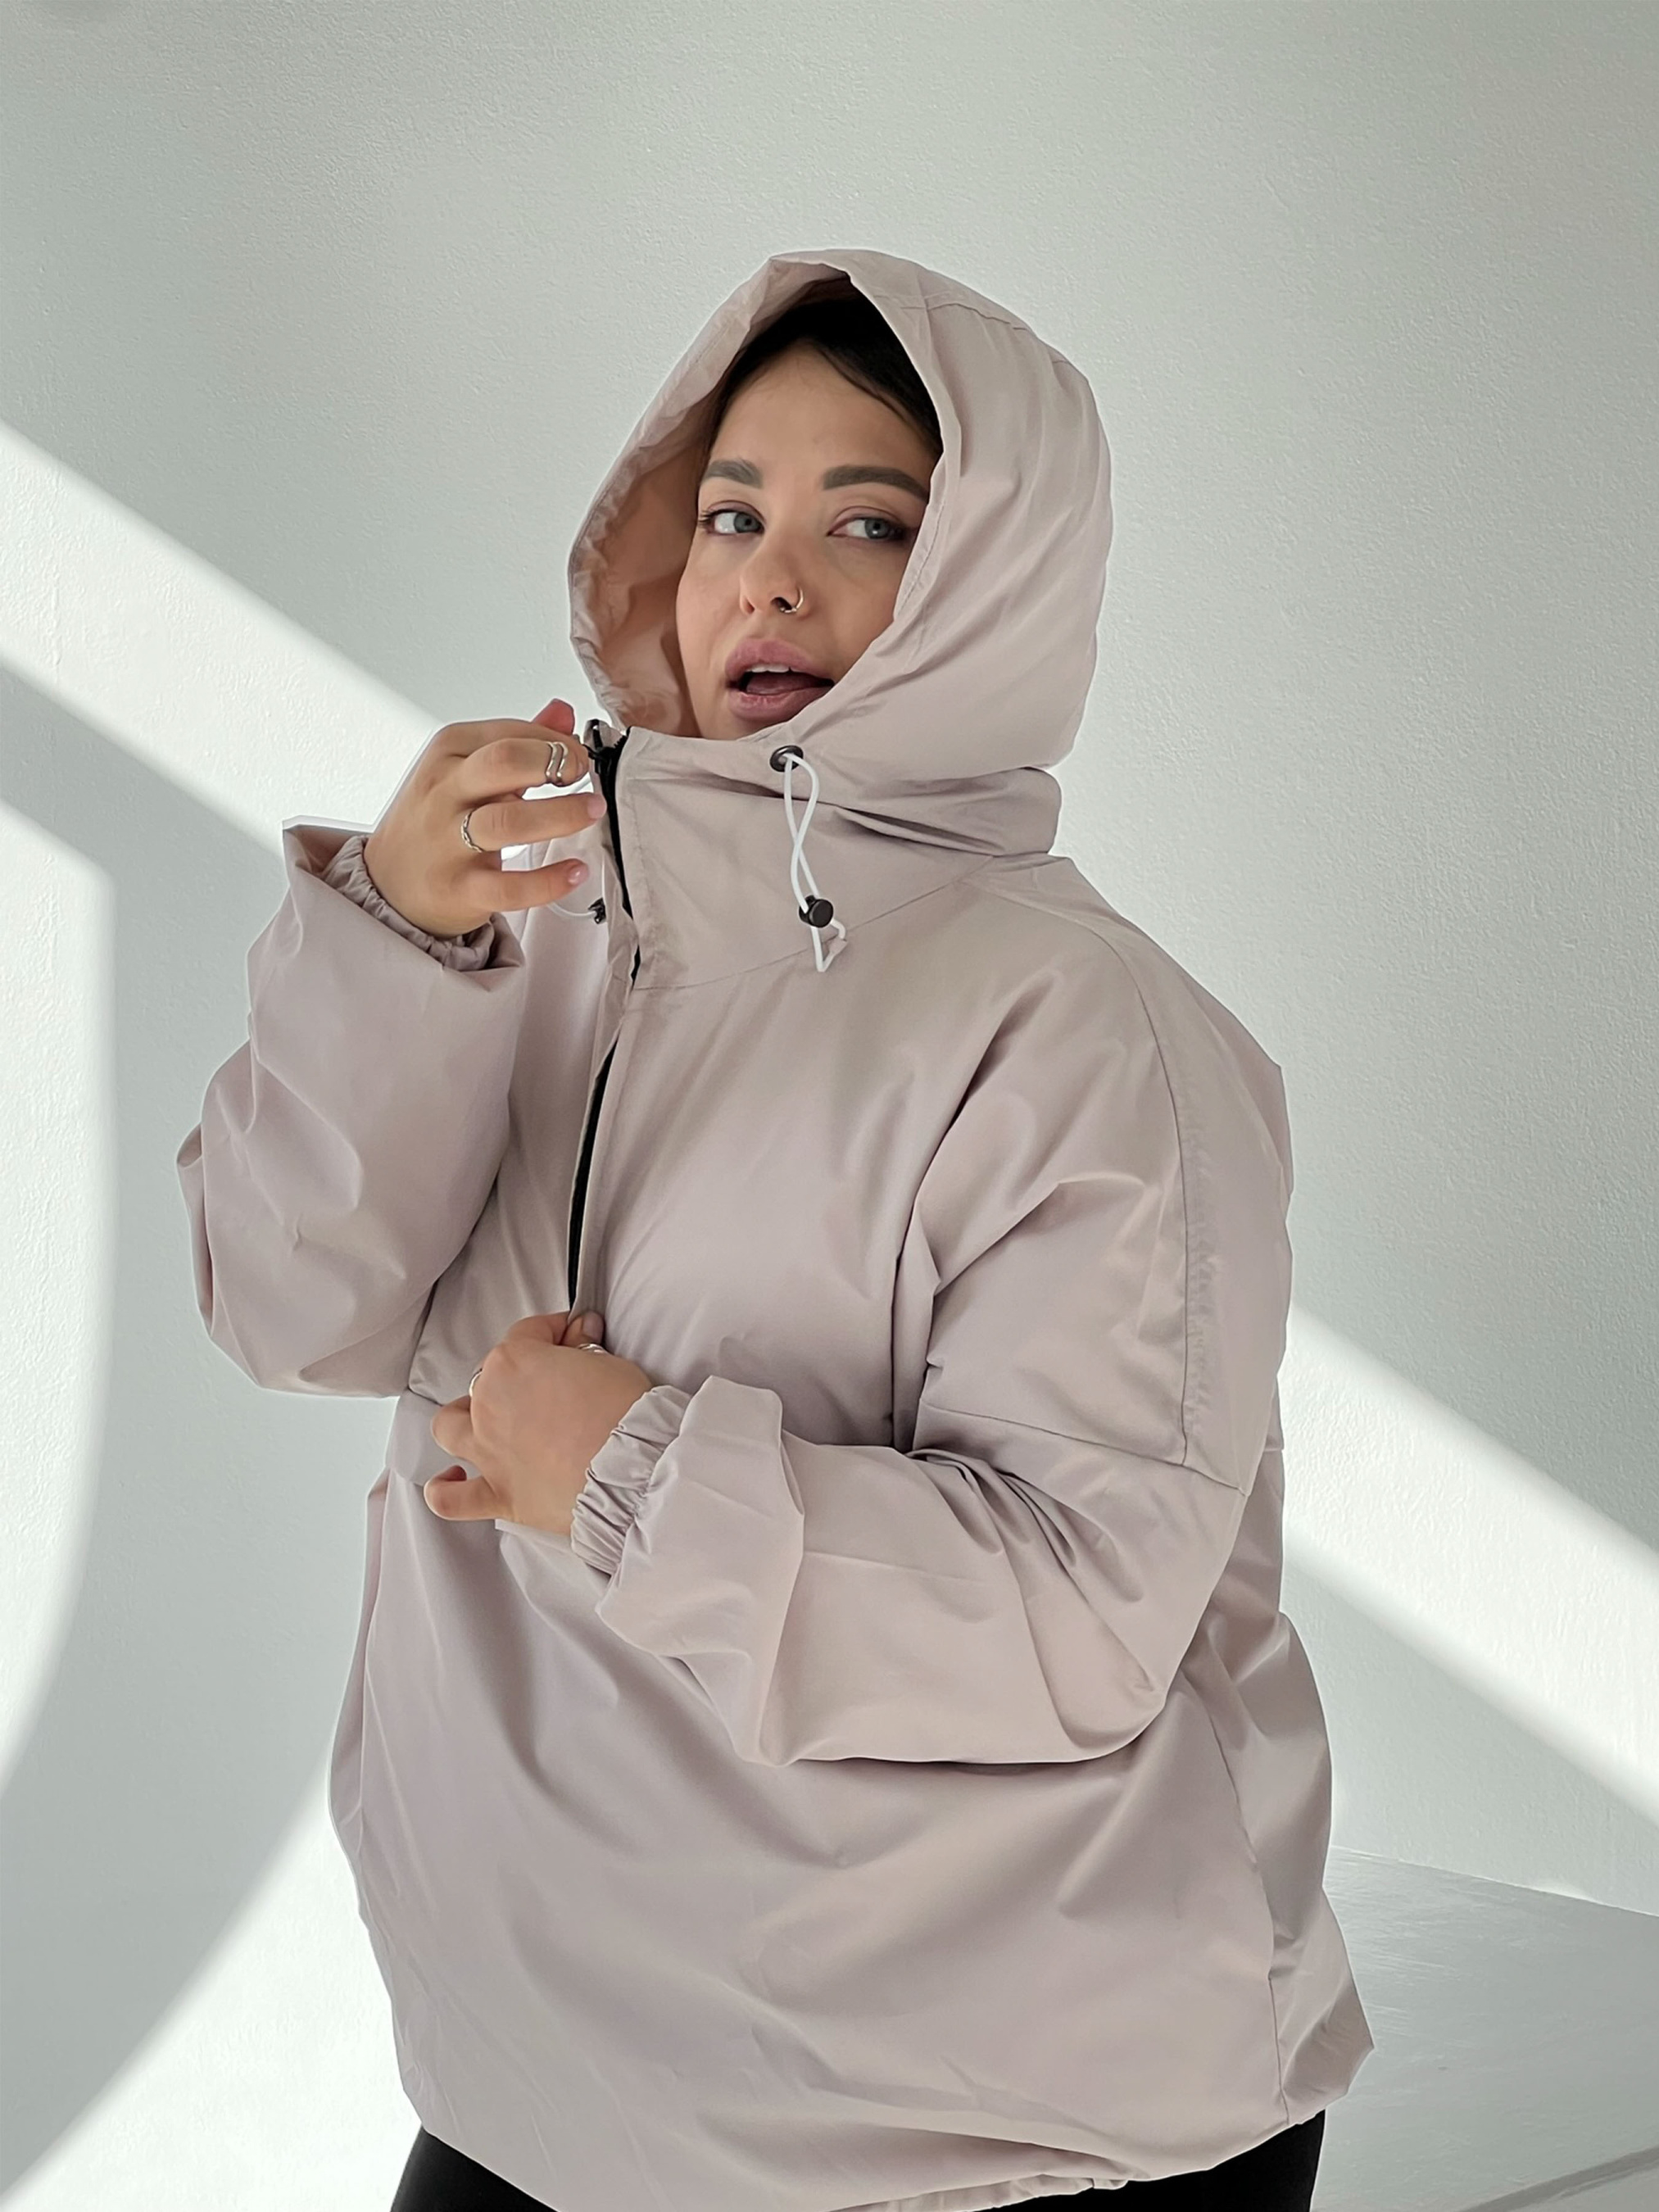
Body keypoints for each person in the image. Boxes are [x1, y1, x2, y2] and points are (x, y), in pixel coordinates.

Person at [176, 249, 1374, 2212]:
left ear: (992, 585)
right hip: (538, 2084)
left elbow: (1078, 1613)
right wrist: (388, 945)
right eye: (729, 514)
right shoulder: (536, 935)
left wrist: (631, 1472)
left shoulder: (1084, 1032)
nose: (772, 580)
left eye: (870, 524)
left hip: (985, 2134)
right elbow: (287, 1310)